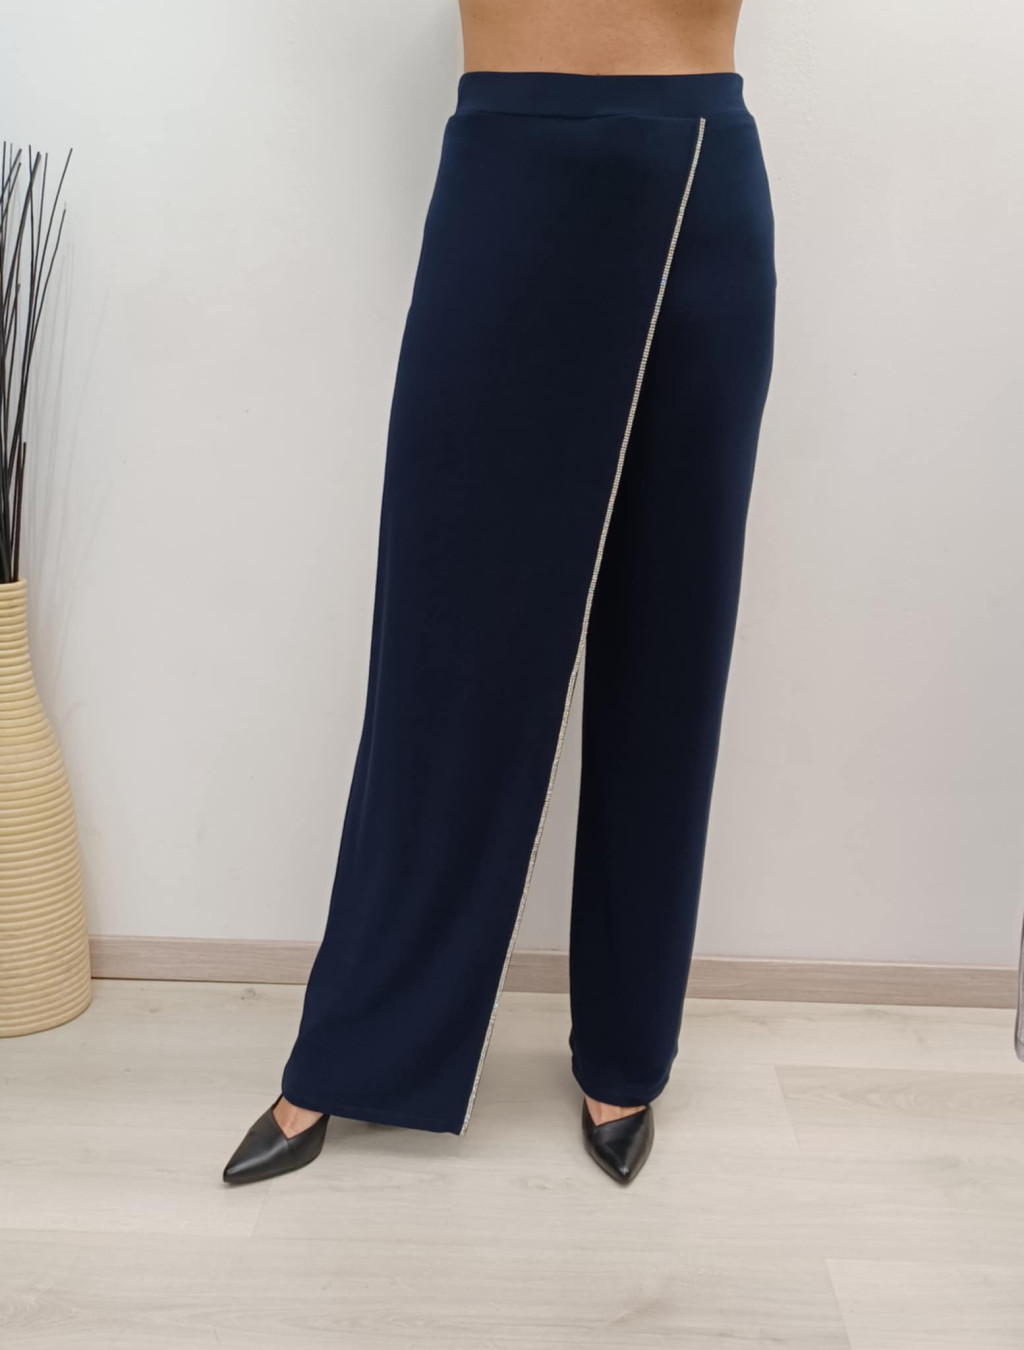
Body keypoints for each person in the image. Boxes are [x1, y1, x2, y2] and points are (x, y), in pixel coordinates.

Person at [223, 0, 775, 1188]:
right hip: (509, 165)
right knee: (444, 644)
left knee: (669, 646)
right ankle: (357, 1046)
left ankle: (626, 1049)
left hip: (697, 179)